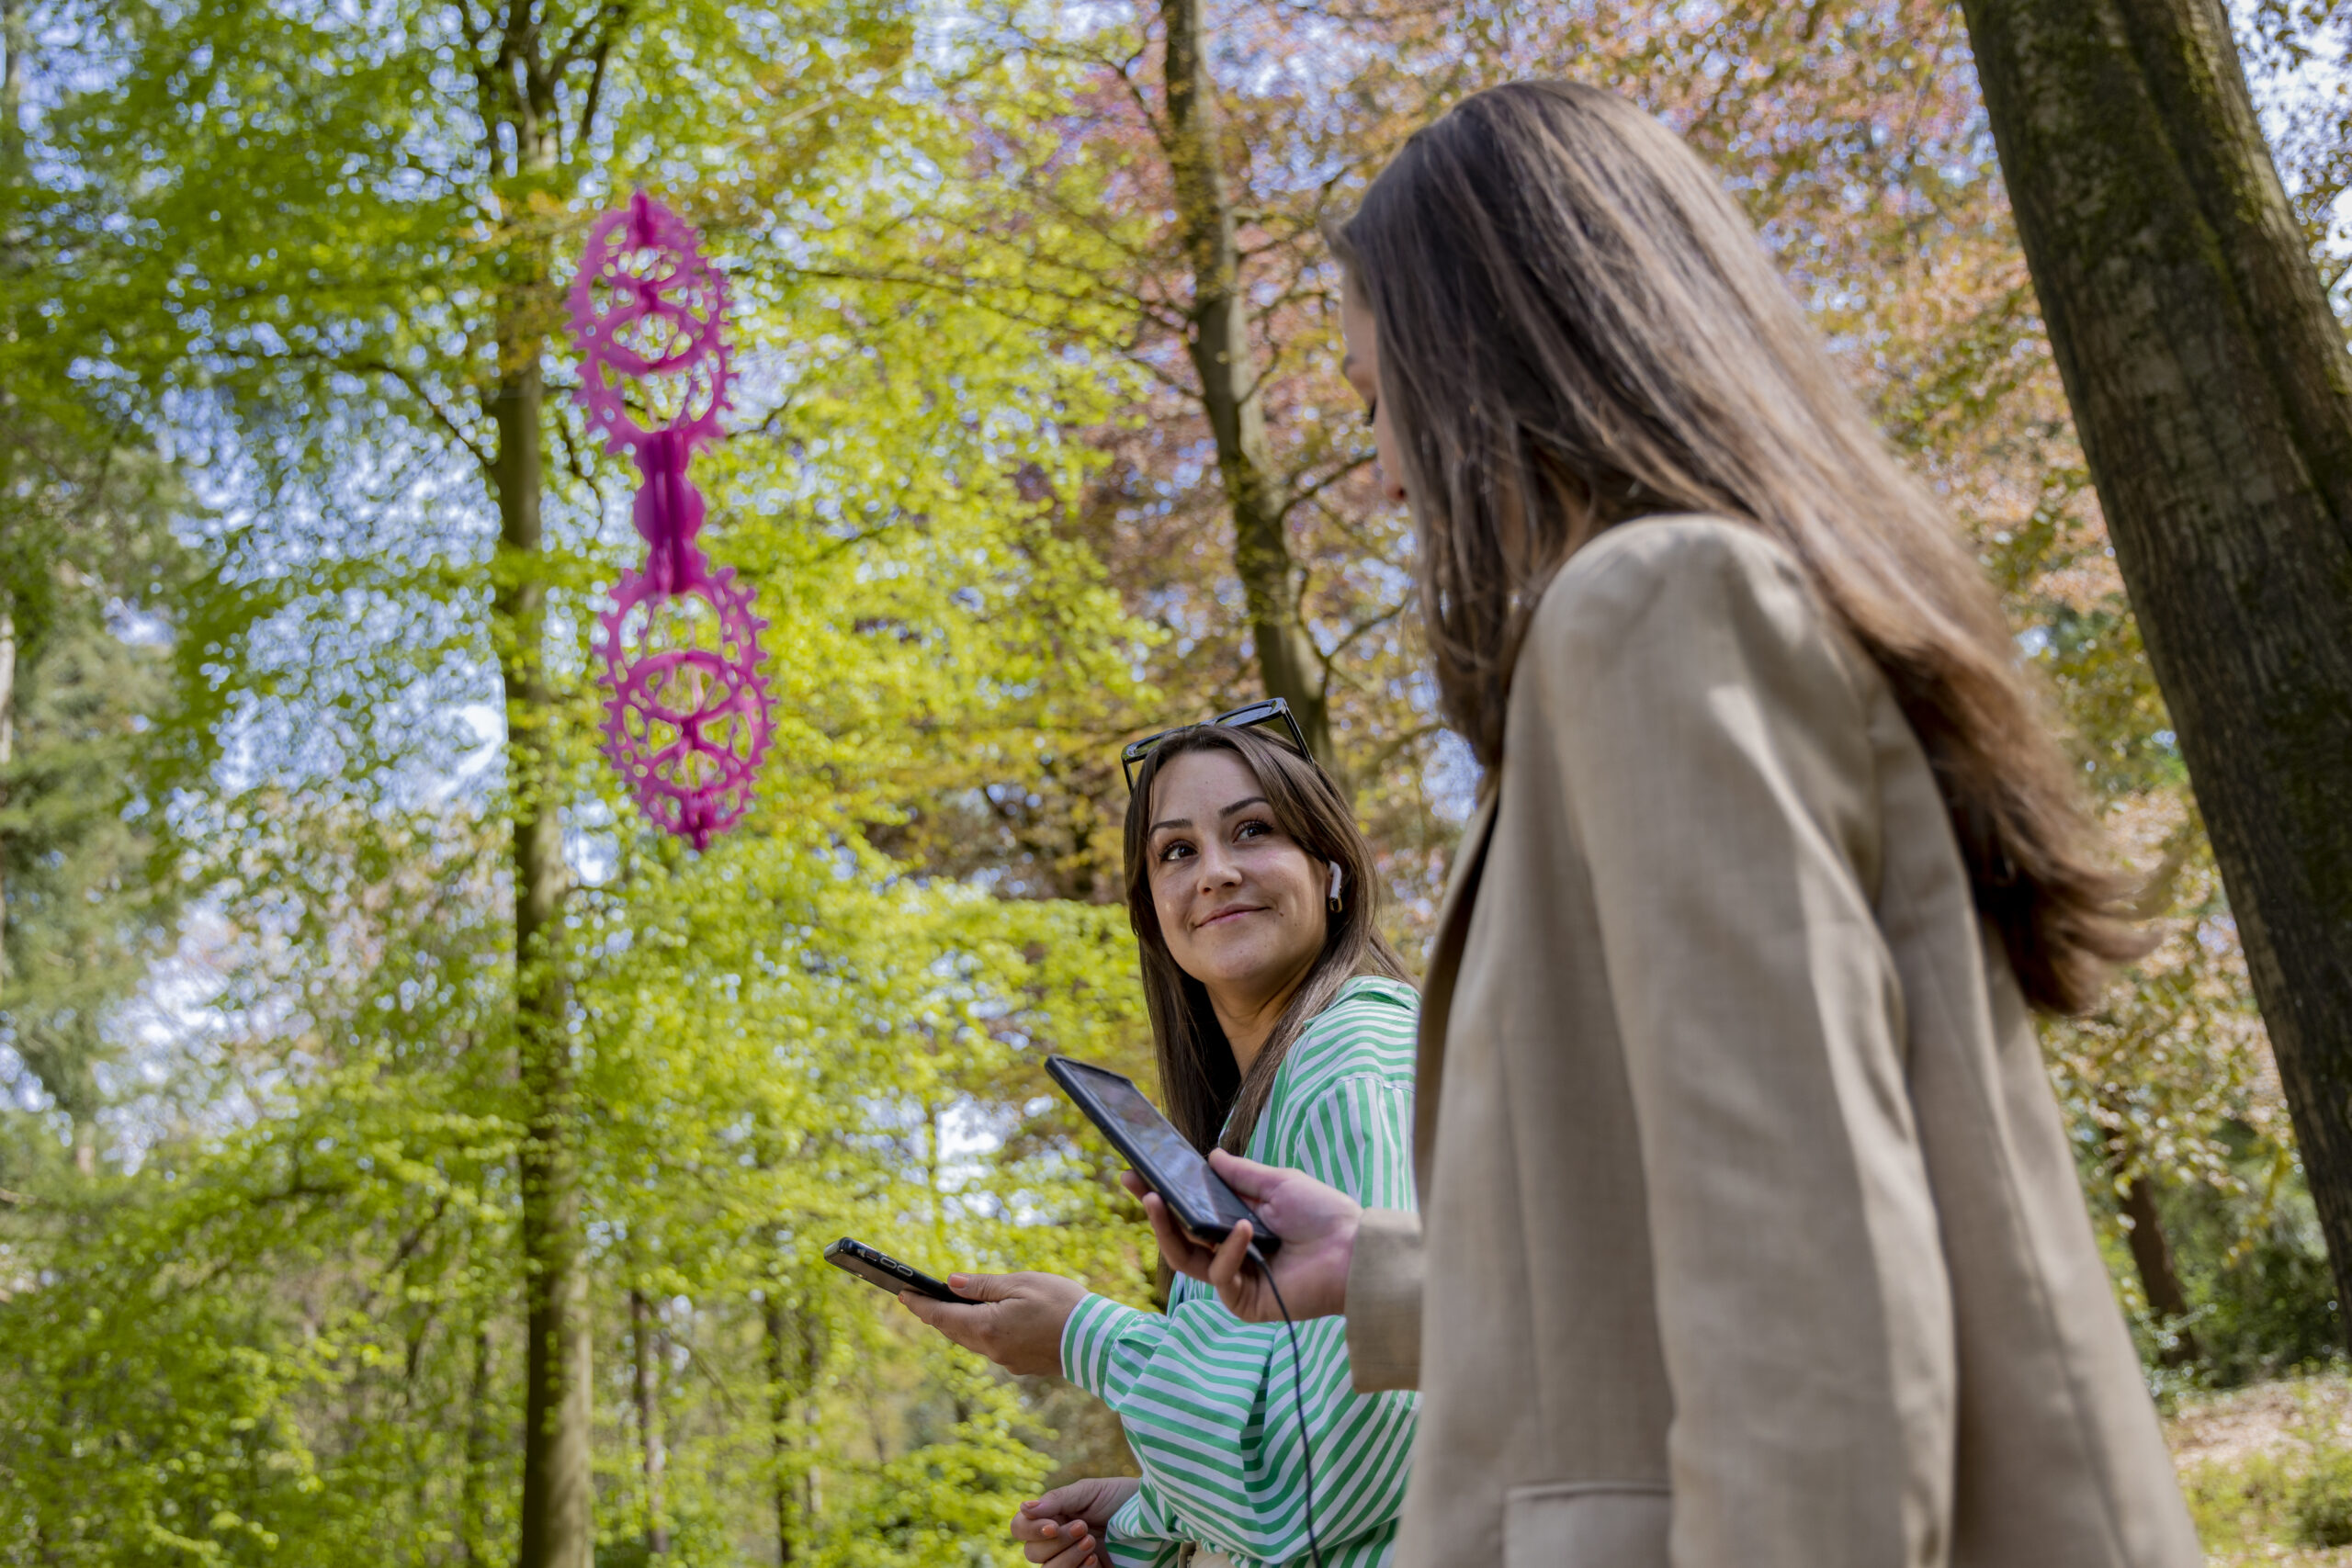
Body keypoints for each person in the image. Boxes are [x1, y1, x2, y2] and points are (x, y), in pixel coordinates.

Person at [1137, 81, 2202, 1568]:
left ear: (1508, 362)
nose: (1381, 474)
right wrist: (1371, 1268)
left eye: (1388, 408)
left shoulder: (1652, 613)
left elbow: (1807, 1300)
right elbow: (1678, 1252)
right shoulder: (1707, 613)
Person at [899, 705, 1421, 1568]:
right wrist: (1148, 1525)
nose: (1214, 872)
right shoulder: (1256, 1108)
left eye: (1252, 830)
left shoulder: (1350, 1059)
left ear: (1329, 865)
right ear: (1152, 910)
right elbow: (1277, 1453)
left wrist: (1088, 1338)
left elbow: (1355, 1472)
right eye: (1177, 850)